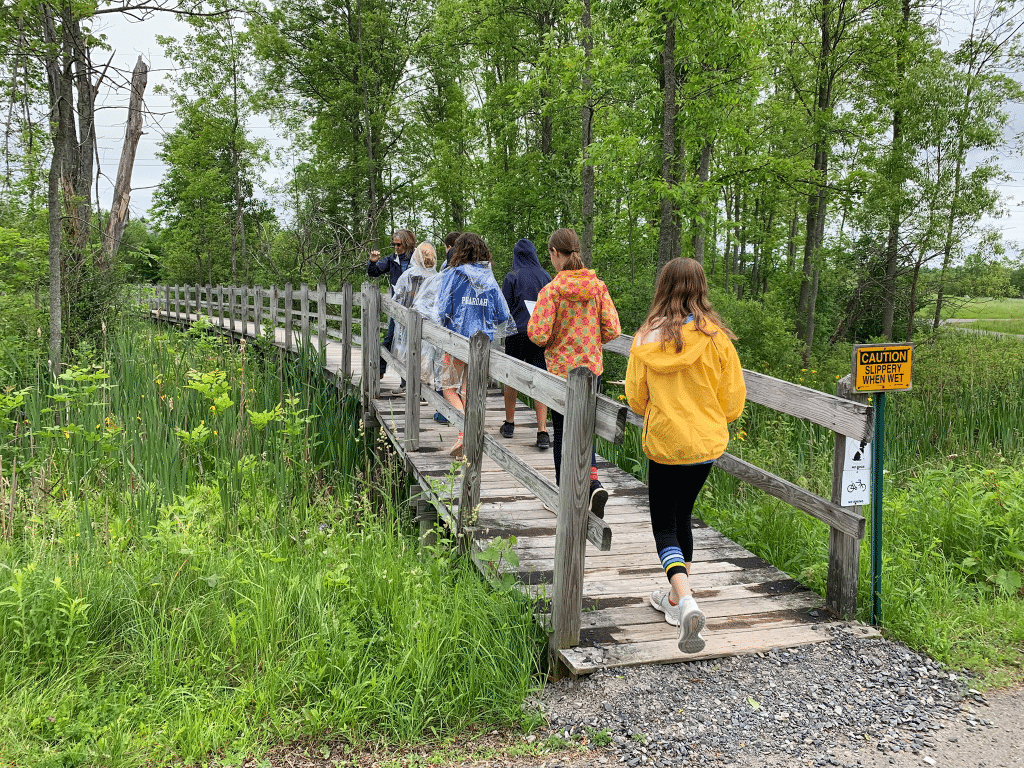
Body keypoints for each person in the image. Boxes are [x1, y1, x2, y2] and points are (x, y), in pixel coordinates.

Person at [624, 257, 746, 655]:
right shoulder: (717, 338)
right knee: (683, 518)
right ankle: (676, 600)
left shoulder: (645, 338)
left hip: (666, 444)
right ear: (701, 288)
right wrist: (710, 420)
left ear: (663, 287)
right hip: (705, 445)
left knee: (664, 526)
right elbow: (732, 402)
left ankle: (687, 600)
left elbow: (636, 398)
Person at [528, 228, 620, 518]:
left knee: (563, 433)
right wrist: (591, 341)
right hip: (591, 370)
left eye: (550, 255)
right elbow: (613, 329)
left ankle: (563, 496)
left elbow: (538, 334)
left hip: (560, 372)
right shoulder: (598, 287)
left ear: (556, 253)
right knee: (585, 430)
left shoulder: (552, 291)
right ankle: (592, 483)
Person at [435, 233, 515, 458]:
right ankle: (468, 436)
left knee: (448, 388)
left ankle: (464, 433)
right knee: (470, 391)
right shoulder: (488, 278)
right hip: (482, 345)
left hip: (457, 341)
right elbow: (503, 314)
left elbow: (441, 310)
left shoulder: (453, 275)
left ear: (458, 250)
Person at [500, 239, 552, 449]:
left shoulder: (512, 277)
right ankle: (542, 431)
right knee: (540, 378)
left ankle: (510, 423)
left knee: (511, 378)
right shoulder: (546, 276)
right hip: (540, 334)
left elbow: (505, 309)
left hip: (517, 332)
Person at [367, 228, 415, 382]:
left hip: (415, 308)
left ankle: (405, 382)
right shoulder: (391, 259)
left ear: (407, 244)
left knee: (411, 344)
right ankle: (379, 371)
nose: (396, 248)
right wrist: (372, 262)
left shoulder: (417, 259)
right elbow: (374, 272)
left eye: (399, 245)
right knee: (391, 338)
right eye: (394, 244)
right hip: (398, 308)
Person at [392, 242, 438, 388]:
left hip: (409, 320)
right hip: (429, 322)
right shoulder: (437, 277)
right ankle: (423, 388)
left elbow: (398, 298)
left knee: (406, 351)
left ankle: (406, 384)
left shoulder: (409, 275)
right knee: (425, 354)